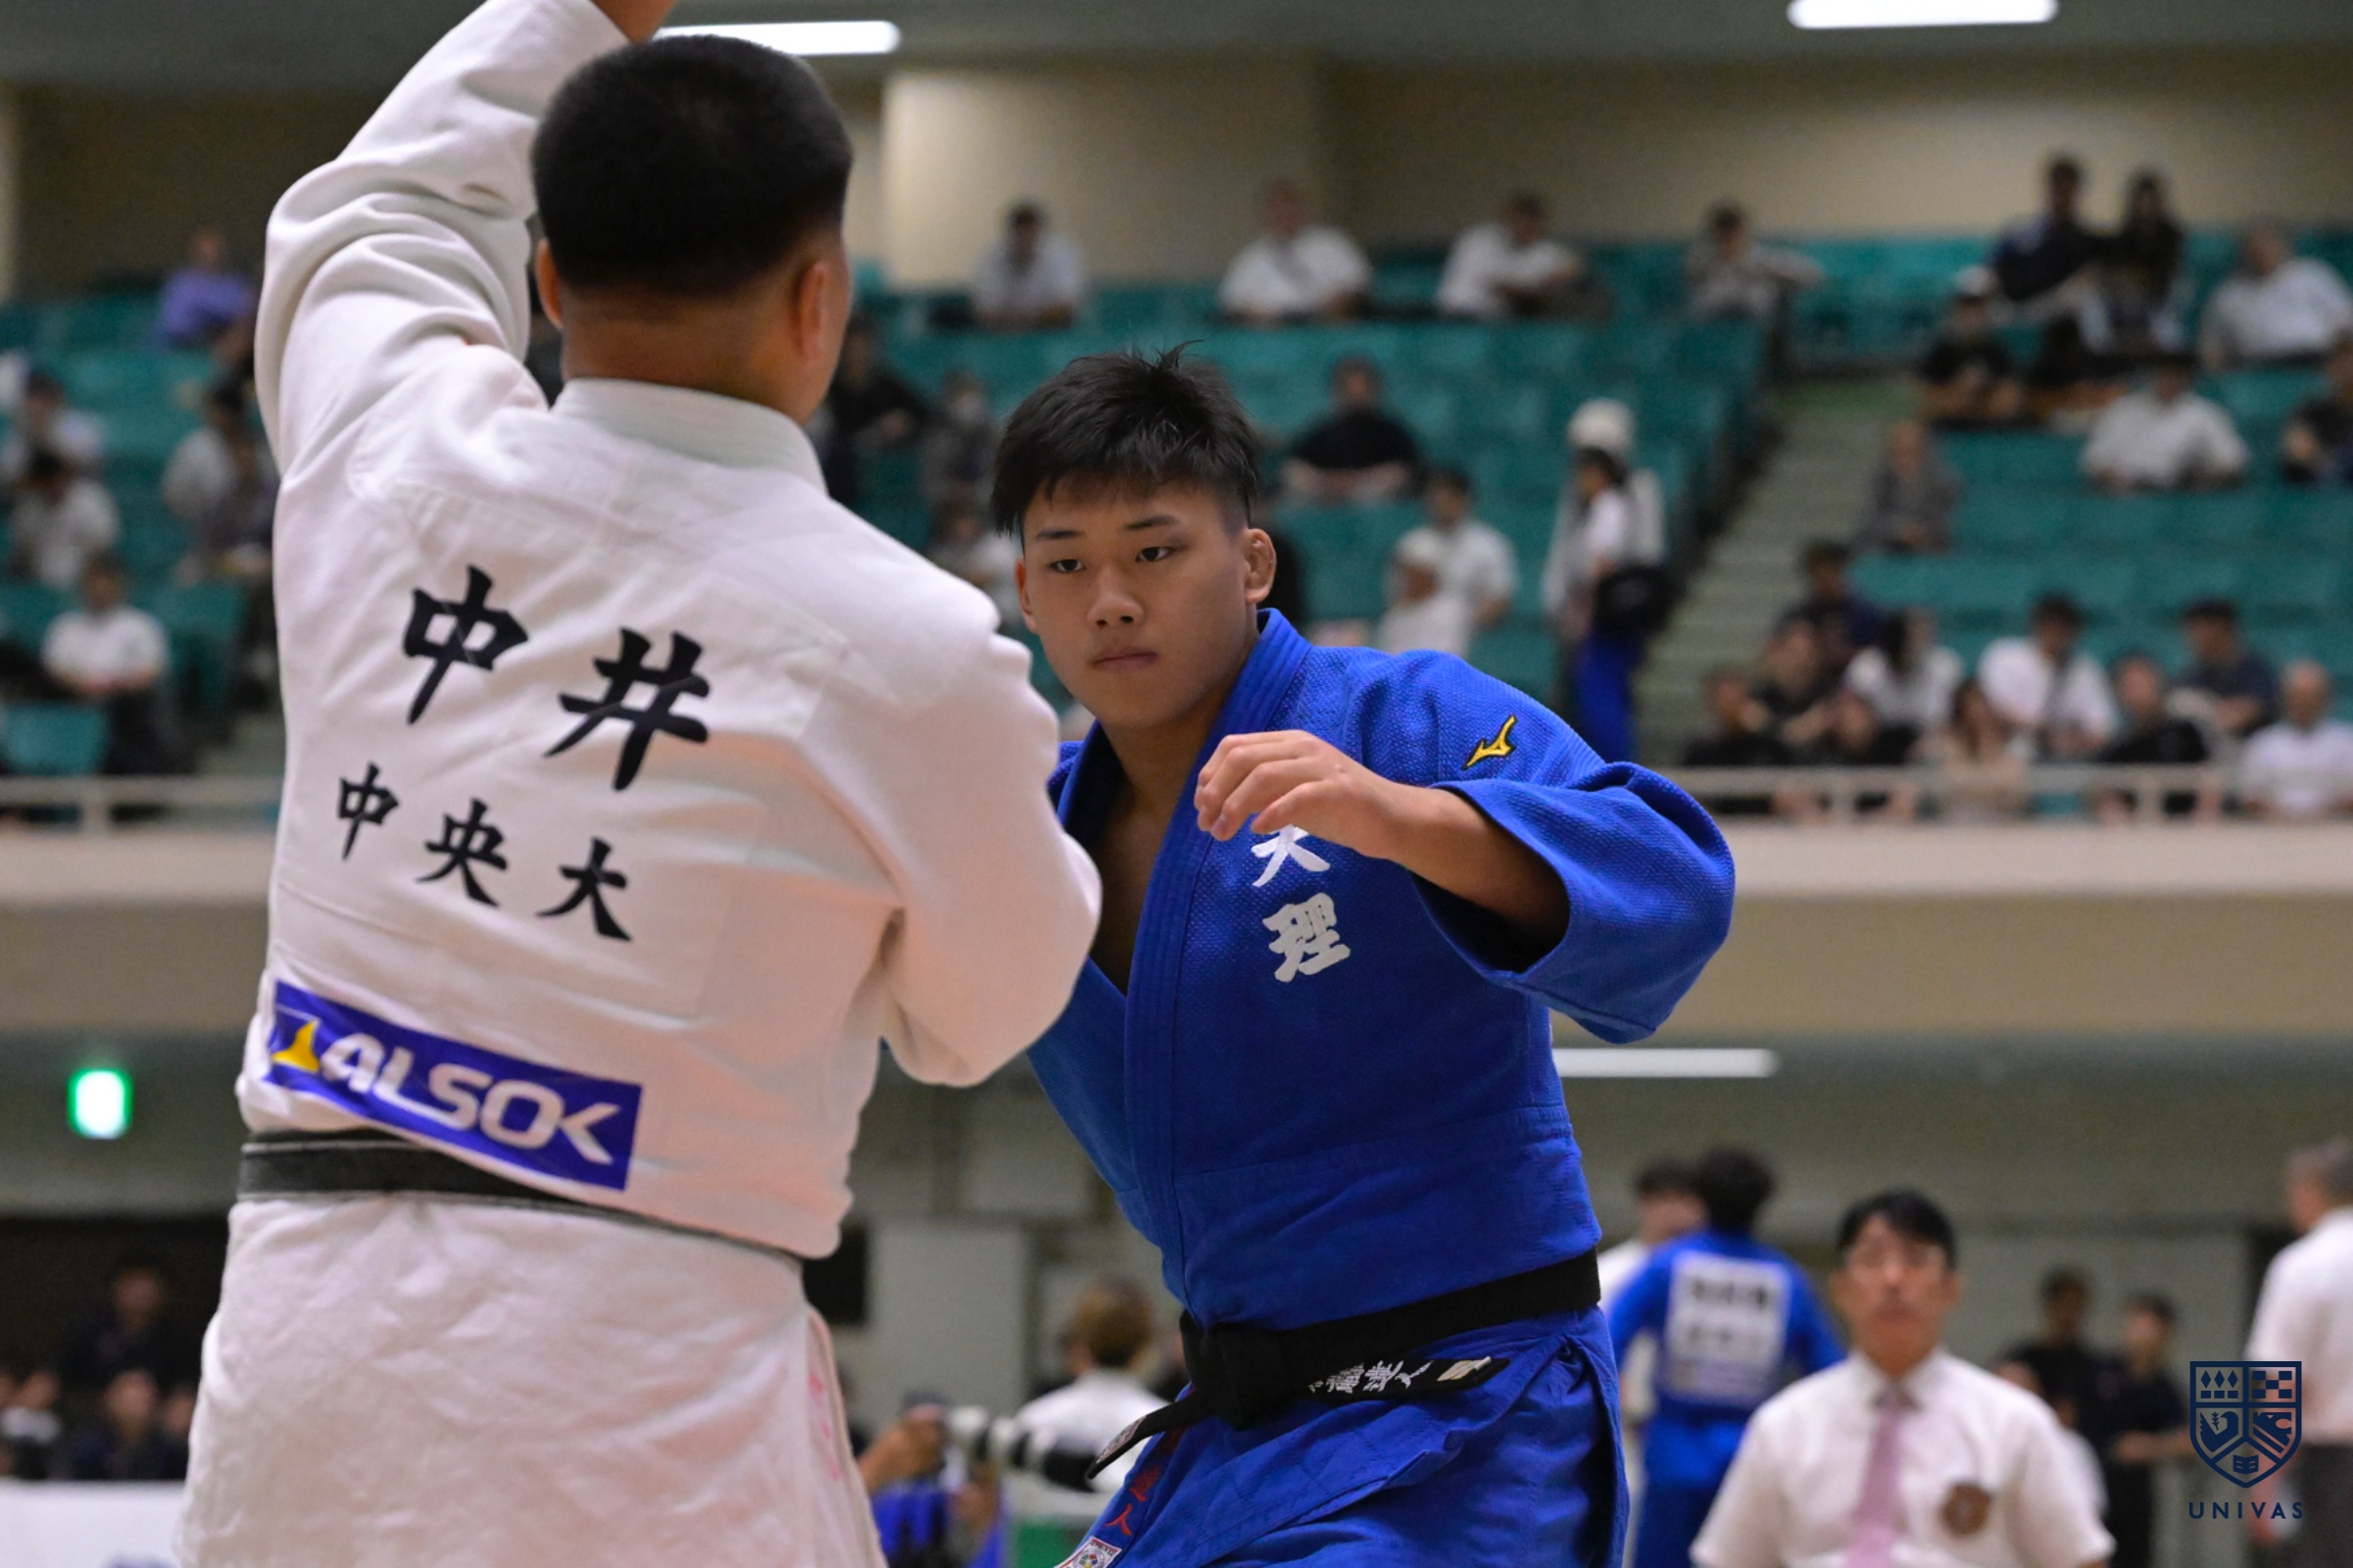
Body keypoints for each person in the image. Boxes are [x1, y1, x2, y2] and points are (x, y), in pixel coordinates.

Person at [174, 7, 1102, 1567]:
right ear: (820, 300)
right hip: (645, 1400)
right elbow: (982, 1016)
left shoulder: (391, 450)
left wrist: (579, 12)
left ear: (546, 282)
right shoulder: (915, 653)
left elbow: (383, 207)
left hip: (304, 1367)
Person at [998, 346, 1735, 1566]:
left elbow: (1675, 879)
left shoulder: (1402, 721)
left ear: (1252, 563)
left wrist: (1402, 818)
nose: (1111, 600)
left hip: (1466, 1413)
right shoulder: (1025, 835)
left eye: (1154, 551)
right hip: (1245, 1431)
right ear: (1024, 591)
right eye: (1067, 564)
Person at [1693, 1190, 2116, 1568]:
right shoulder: (1784, 1425)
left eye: (1915, 1260)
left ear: (1950, 1288)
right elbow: (1728, 1559)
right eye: (1872, 1259)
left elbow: (2080, 1559)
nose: (1893, 1279)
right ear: (1841, 1290)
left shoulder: (2014, 1424)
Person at [1611, 1149, 1843, 1568]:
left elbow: (1610, 1337)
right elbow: (1829, 1374)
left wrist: (1617, 1403)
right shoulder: (1785, 1279)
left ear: (1700, 1197)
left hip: (1673, 1451)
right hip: (1751, 1455)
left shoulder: (1669, 1266)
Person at [2246, 1139, 2353, 1568]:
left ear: (2310, 1190)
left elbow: (2281, 1383)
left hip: (2335, 1467)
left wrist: (2264, 1481)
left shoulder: (2302, 1267)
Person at [1010, 1276, 1166, 1524]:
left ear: (1079, 1341)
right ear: (1146, 1344)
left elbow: (1018, 1515)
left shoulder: (1033, 1420)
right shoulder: (1165, 1429)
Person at [1556, 444, 1666, 763]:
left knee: (1599, 690)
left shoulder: (1609, 506)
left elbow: (1603, 562)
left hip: (1608, 617)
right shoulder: (1605, 507)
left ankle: (1613, 763)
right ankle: (1612, 760)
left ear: (1598, 474)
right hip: (1609, 614)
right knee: (1605, 691)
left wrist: (1588, 610)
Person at [41, 555, 181, 776]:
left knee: (133, 709)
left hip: (123, 703)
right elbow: (55, 668)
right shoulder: (66, 626)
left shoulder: (139, 625)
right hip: (73, 699)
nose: (99, 590)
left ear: (119, 586)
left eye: (105, 583)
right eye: (93, 583)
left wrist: (114, 686)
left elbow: (150, 670)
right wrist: (83, 686)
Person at [2100, 1294, 2189, 1568]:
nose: (2140, 1335)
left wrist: (2150, 1447)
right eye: (2135, 1324)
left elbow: (2191, 1441)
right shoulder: (2099, 1372)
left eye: (2149, 1327)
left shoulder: (2164, 1388)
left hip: (2135, 1501)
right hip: (2090, 1491)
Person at [2198, 220, 2353, 371]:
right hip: (2256, 369)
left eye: (2269, 244)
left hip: (2315, 361)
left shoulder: (2311, 275)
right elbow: (2211, 345)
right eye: (2256, 246)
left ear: (2284, 246)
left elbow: (2346, 321)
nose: (2263, 252)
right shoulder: (2228, 294)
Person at [2081, 353, 2247, 492]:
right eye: (2163, 375)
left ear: (2187, 378)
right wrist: (2124, 484)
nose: (2168, 382)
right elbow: (2096, 462)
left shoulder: (2206, 414)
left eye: (2175, 376)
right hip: (2127, 499)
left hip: (2184, 500)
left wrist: (2197, 480)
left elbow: (2232, 463)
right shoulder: (2123, 410)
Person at [1980, 594, 2116, 759]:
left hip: (2066, 761)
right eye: (2051, 627)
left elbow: (2102, 729)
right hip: (2005, 755)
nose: (2056, 635)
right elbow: (1987, 710)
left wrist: (2067, 739)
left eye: (2063, 629)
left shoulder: (2086, 671)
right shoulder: (2005, 657)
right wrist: (2038, 729)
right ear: (2037, 626)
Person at [1217, 178, 1371, 324]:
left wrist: (1328, 312)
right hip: (1273, 332)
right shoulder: (1251, 257)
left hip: (1328, 327)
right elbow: (1232, 302)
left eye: (1288, 206)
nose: (1284, 214)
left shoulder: (1332, 243)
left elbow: (1356, 285)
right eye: (1276, 209)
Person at [815, 314, 928, 509]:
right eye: (852, 348)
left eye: (862, 347)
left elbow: (924, 414)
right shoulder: (830, 390)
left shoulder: (888, 387)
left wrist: (900, 422)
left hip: (883, 461)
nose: (857, 355)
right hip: (841, 466)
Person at [1279, 356, 1420, 504]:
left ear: (1374, 391)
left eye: (1362, 391)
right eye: (1350, 391)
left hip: (1370, 490)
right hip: (1325, 491)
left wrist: (1359, 480)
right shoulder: (1324, 432)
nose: (1356, 398)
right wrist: (1330, 481)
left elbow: (1408, 468)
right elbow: (1296, 463)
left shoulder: (1392, 434)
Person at [1393, 466, 1517, 634]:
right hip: (1419, 630)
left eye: (1448, 496)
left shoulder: (1489, 545)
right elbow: (1400, 599)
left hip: (1471, 633)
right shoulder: (1411, 544)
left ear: (1464, 499)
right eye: (1435, 496)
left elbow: (1499, 599)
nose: (1441, 503)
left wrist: (1459, 626)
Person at [2094, 653, 2214, 822]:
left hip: (2188, 828)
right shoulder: (2116, 748)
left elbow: (2209, 779)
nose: (2139, 692)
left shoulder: (2186, 732)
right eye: (2131, 686)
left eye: (2143, 684)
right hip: (2137, 831)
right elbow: (2105, 797)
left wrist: (2201, 821)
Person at [1999, 1268, 2112, 1446]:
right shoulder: (2022, 1359)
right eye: (2065, 1305)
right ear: (2050, 1305)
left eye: (2077, 1307)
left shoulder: (2094, 1367)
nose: (2070, 1315)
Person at [2086, 172, 2185, 363]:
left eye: (2149, 200)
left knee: (2175, 303)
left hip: (2161, 297)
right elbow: (2114, 268)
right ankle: (2103, 352)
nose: (2144, 206)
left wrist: (2141, 278)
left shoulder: (2171, 235)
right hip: (2126, 295)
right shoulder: (2125, 235)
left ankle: (2167, 356)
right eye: (2140, 200)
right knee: (2091, 295)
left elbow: (2168, 274)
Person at [1438, 193, 1585, 319]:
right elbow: (1501, 286)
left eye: (1534, 224)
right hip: (1458, 315)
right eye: (1523, 222)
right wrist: (1540, 287)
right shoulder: (1479, 240)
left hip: (1497, 320)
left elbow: (1570, 264)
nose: (1528, 229)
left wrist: (1558, 277)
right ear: (1510, 220)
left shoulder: (1533, 246)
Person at [2240, 661, 2353, 818]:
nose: (2305, 703)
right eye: (2298, 696)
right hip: (2273, 828)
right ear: (2284, 697)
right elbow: (2250, 797)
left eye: (2312, 696)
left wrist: (2323, 816)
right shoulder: (2263, 743)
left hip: (2335, 826)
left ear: (2325, 698)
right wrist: (2281, 817)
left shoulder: (2346, 741)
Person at [1681, 666, 1797, 818]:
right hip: (1718, 823)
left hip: (1769, 823)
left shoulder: (1767, 743)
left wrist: (1768, 727)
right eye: (1723, 698)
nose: (1730, 705)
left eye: (1735, 698)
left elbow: (1792, 769)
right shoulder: (1700, 748)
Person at [1991, 155, 2100, 313]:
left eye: (2066, 190)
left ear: (2076, 192)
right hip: (2014, 305)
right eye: (2058, 188)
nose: (2061, 196)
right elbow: (1995, 268)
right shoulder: (2019, 232)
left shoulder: (2086, 240)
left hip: (2061, 308)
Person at [1685, 201, 1824, 324]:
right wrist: (1723, 263)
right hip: (1714, 316)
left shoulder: (1759, 256)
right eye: (1725, 232)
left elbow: (1810, 275)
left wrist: (1762, 272)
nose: (1730, 237)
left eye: (1734, 231)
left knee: (1762, 295)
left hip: (1757, 316)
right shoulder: (1702, 258)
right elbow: (1697, 285)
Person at [1919, 272, 2026, 428]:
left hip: (1991, 434)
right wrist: (1961, 391)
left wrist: (1978, 397)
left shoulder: (1997, 353)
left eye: (1978, 307)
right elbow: (1928, 402)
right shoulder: (1940, 352)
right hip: (1948, 432)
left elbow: (2007, 402)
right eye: (1967, 306)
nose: (1973, 313)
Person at [11, 447, 121, 591]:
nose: (49, 489)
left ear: (63, 477)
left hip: (82, 584)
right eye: (43, 485)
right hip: (39, 585)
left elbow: (101, 548)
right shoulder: (29, 506)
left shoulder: (90, 501)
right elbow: (25, 550)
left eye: (52, 482)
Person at [1846, 609, 1963, 743]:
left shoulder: (1945, 667)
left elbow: (1957, 721)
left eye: (1919, 638)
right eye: (1907, 641)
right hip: (1875, 744)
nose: (1912, 647)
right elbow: (1851, 717)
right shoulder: (1866, 669)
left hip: (1931, 742)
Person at [970, 201, 1089, 331]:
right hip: (1005, 334)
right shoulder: (993, 256)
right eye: (1021, 231)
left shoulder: (1060, 254)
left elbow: (1065, 307)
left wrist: (1028, 319)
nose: (1026, 237)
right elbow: (984, 309)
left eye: (1030, 230)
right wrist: (1016, 320)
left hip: (1053, 332)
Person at [1927, 677, 2031, 821]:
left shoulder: (2012, 746)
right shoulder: (1948, 744)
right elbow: (1952, 781)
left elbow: (2016, 790)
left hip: (2003, 822)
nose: (1977, 714)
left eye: (1981, 707)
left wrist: (1987, 752)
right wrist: (1994, 786)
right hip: (1958, 822)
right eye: (1970, 708)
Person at [2175, 598, 2279, 741]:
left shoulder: (2254, 670)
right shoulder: (2192, 676)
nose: (2198, 636)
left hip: (2253, 746)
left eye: (2205, 627)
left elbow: (2255, 710)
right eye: (2195, 629)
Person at [61, 1368, 190, 1483]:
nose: (134, 1407)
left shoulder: (171, 1452)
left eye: (140, 1399)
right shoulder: (87, 1449)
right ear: (110, 1400)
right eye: (128, 1399)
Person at [1856, 419, 1960, 556]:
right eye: (1900, 451)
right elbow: (1873, 517)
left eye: (1912, 451)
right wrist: (1898, 529)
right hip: (1886, 546)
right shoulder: (1881, 479)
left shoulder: (1943, 483)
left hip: (1932, 548)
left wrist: (1919, 532)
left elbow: (1946, 519)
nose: (1906, 458)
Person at [1784, 540, 1887, 674]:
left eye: (1827, 572)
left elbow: (1877, 653)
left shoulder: (1863, 612)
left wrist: (1843, 652)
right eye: (1816, 574)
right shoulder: (1802, 613)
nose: (1822, 580)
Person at [155, 226, 261, 353]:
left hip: (218, 344)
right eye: (205, 251)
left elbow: (250, 310)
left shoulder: (235, 283)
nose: (211, 256)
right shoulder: (182, 283)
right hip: (181, 345)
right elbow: (175, 325)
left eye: (216, 250)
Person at [0, 368, 108, 483]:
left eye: (42, 399)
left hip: (75, 487)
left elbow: (90, 466)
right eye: (32, 400)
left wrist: (44, 438)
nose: (37, 407)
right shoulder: (19, 434)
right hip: (35, 490)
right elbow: (11, 476)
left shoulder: (80, 427)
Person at [1377, 528, 1472, 658]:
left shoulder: (1451, 610)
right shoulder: (1396, 615)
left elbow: (1442, 659)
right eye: (1405, 572)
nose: (1407, 579)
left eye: (1415, 573)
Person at [928, 500, 1021, 629]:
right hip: (963, 618)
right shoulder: (948, 549)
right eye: (957, 523)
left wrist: (955, 576)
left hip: (1003, 618)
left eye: (966, 522)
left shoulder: (999, 544)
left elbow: (982, 578)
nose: (962, 528)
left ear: (978, 522)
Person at [924, 368, 1002, 513]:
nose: (969, 403)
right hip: (946, 515)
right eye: (962, 397)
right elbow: (931, 485)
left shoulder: (994, 436)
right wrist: (952, 493)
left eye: (972, 394)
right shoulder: (939, 441)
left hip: (988, 514)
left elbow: (1002, 482)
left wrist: (974, 493)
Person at [2282, 335, 2353, 486]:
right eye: (2342, 363)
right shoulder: (2311, 413)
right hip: (2325, 493)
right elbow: (2298, 454)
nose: (2349, 371)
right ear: (2330, 369)